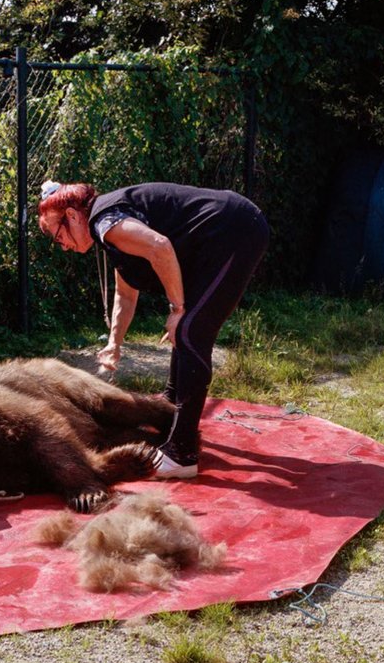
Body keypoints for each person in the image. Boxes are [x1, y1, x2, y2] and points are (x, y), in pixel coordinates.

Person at [35, 180, 270, 479]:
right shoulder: (108, 228)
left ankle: (181, 454)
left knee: (189, 332)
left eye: (57, 237)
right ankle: (171, 420)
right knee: (186, 334)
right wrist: (114, 343)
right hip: (220, 238)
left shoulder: (106, 221)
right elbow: (126, 294)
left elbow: (160, 246)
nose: (63, 246)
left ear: (71, 216)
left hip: (236, 229)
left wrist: (177, 309)